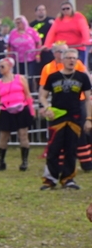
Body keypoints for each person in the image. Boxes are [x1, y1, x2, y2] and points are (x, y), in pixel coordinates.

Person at [38, 48, 92, 190]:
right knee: (54, 148)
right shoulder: (53, 77)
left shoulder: (82, 77)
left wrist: (89, 118)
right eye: (68, 57)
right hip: (57, 117)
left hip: (75, 117)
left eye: (74, 58)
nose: (71, 60)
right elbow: (42, 96)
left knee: (71, 148)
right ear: (62, 60)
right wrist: (47, 108)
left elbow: (88, 99)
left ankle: (68, 179)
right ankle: (50, 179)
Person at [0, 57, 35, 171]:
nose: (0, 69)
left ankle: (24, 161)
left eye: (2, 66)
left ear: (10, 67)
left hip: (21, 109)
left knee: (23, 134)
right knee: (3, 136)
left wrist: (32, 110)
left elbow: (28, 95)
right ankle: (0, 161)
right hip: (6, 110)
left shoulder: (20, 78)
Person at [44, 2, 90, 67]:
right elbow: (51, 33)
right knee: (62, 67)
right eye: (63, 9)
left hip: (77, 48)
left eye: (67, 8)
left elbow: (84, 29)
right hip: (61, 50)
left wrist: (86, 41)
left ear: (72, 9)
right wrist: (47, 45)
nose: (65, 10)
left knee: (77, 67)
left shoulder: (79, 17)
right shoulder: (58, 19)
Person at [7, 15, 42, 81]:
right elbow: (9, 45)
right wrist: (9, 57)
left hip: (30, 59)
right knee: (18, 78)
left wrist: (38, 55)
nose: (17, 24)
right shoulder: (13, 32)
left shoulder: (31, 31)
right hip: (17, 59)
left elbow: (38, 42)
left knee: (29, 78)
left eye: (19, 22)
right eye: (16, 23)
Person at [31, 4, 55, 72]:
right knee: (39, 70)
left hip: (50, 50)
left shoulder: (52, 21)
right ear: (36, 12)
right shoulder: (31, 25)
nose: (41, 11)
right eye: (39, 10)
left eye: (43, 10)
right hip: (38, 51)